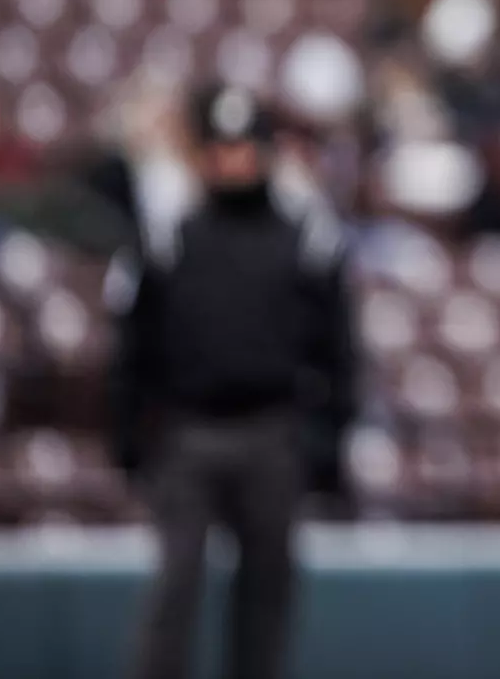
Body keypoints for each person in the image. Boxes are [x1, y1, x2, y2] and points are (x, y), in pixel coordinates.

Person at [108, 84, 357, 679]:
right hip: (190, 433)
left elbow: (340, 350)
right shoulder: (171, 238)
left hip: (273, 431)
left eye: (245, 147)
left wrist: (328, 441)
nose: (233, 160)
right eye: (220, 148)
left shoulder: (305, 239)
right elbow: (134, 349)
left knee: (268, 593)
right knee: (176, 587)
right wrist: (132, 436)